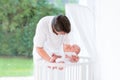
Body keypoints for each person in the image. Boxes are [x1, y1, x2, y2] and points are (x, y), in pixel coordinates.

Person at [32, 15, 80, 80]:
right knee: (45, 76)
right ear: (54, 29)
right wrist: (51, 60)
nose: (64, 35)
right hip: (43, 54)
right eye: (62, 33)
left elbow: (66, 47)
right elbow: (39, 48)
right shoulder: (43, 24)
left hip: (56, 54)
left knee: (59, 75)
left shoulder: (65, 26)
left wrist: (70, 56)